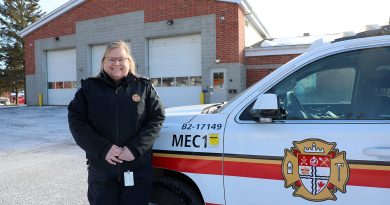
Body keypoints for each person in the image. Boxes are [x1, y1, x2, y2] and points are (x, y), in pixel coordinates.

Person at [68, 41, 165, 205]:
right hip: (102, 169)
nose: (116, 63)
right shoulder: (89, 88)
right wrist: (103, 148)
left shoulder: (143, 87)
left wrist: (135, 148)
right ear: (103, 61)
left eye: (121, 59)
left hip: (137, 168)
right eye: (111, 59)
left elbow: (156, 118)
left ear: (129, 61)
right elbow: (76, 121)